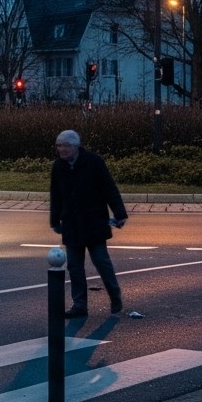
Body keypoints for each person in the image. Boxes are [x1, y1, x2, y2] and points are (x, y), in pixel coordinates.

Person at [49, 129, 129, 318]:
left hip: (94, 221)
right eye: (59, 146)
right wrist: (55, 220)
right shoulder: (58, 166)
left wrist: (120, 213)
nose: (61, 149)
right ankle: (80, 304)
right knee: (74, 267)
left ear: (75, 146)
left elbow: (109, 188)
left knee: (102, 262)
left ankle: (114, 294)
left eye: (65, 146)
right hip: (71, 223)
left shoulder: (94, 162)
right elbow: (55, 195)